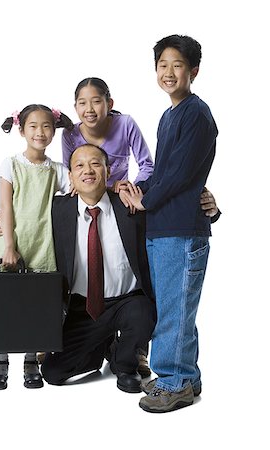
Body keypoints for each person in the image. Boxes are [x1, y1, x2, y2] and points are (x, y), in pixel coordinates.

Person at [122, 35, 219, 412]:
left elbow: (179, 174)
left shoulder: (196, 113)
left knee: (175, 311)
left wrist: (146, 200)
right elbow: (163, 172)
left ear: (193, 71)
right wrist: (136, 186)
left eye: (176, 65)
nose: (168, 72)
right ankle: (188, 377)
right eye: (162, 65)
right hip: (164, 228)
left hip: (180, 229)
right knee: (176, 309)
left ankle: (174, 382)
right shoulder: (169, 115)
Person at [41, 144, 157, 393]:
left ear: (108, 170)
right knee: (52, 372)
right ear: (70, 176)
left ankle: (124, 365)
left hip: (127, 300)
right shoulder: (58, 209)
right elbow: (30, 226)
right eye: (79, 165)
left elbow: (164, 211)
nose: (88, 170)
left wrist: (207, 209)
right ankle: (102, 345)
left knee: (143, 314)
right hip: (83, 307)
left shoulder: (128, 204)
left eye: (95, 163)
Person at [0, 104, 73, 391]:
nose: (40, 132)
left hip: (42, 243)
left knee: (36, 304)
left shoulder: (57, 170)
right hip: (13, 242)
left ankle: (30, 360)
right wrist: (9, 245)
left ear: (54, 130)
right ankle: (0, 361)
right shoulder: (10, 164)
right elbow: (6, 207)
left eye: (47, 126)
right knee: (4, 302)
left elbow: (77, 191)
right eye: (33, 126)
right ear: (21, 130)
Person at [62, 77, 154, 189]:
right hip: (87, 196)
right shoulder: (70, 134)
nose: (89, 109)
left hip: (120, 196)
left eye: (96, 102)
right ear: (76, 107)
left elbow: (147, 166)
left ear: (109, 104)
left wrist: (132, 190)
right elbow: (68, 174)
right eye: (82, 103)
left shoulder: (125, 124)